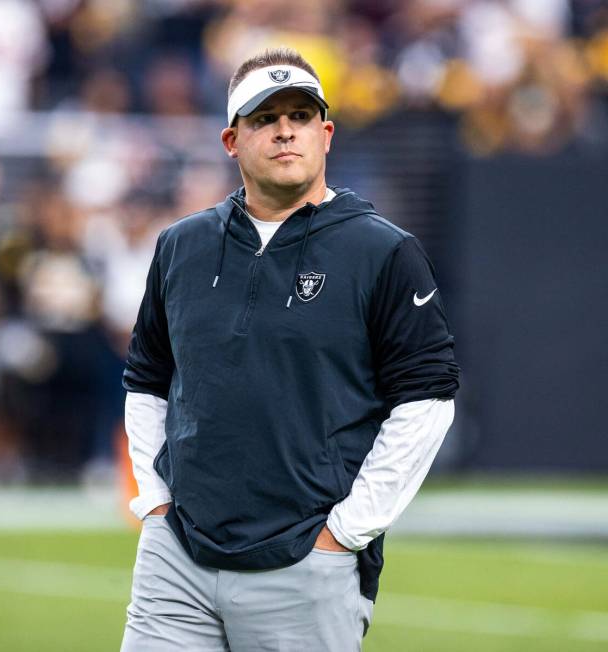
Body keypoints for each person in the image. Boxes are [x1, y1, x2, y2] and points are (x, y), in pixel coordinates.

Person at [120, 47, 459, 651]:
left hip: (304, 563)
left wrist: (346, 534)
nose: (284, 130)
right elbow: (146, 378)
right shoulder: (181, 245)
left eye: (300, 116)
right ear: (232, 140)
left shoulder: (383, 252)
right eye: (263, 117)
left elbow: (428, 399)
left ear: (325, 133)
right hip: (178, 558)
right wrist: (155, 503)